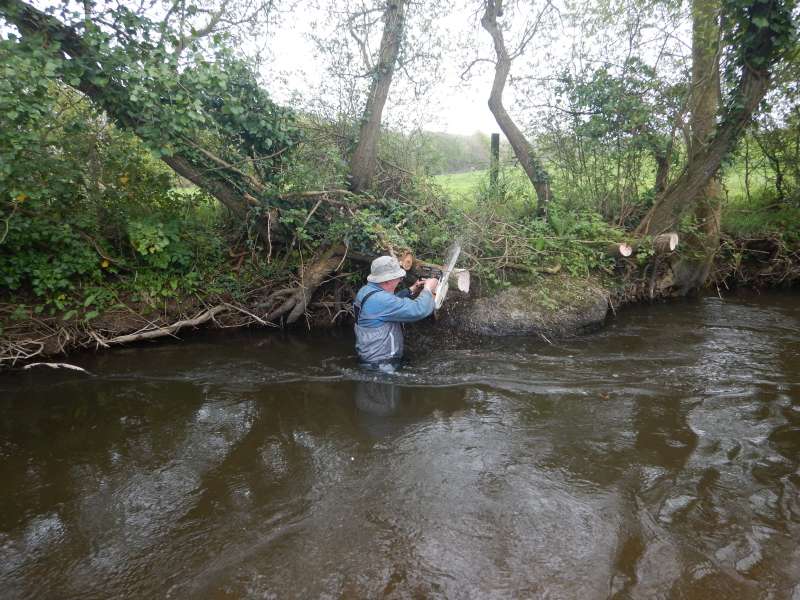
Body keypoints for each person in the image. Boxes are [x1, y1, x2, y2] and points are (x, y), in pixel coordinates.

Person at [353, 255, 439, 367]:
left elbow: (388, 305)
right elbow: (419, 310)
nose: (399, 280)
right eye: (398, 277)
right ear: (387, 281)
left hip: (371, 360)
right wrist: (428, 289)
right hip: (382, 366)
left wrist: (411, 290)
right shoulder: (381, 300)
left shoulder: (366, 291)